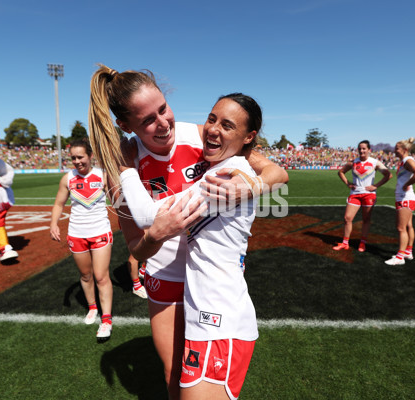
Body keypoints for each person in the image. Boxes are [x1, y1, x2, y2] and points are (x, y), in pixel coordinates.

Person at [88, 65, 288, 399]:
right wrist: (155, 236)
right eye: (148, 120)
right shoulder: (122, 168)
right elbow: (136, 250)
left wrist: (251, 186)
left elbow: (276, 172)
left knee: (199, 373)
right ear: (126, 126)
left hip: (209, 277)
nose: (163, 123)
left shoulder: (201, 134)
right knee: (175, 372)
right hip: (166, 275)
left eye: (163, 108)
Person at [116, 93, 262, 400]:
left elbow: (150, 214)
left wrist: (126, 167)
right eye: (211, 119)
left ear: (248, 137)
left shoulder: (224, 176)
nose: (212, 129)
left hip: (218, 314)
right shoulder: (217, 170)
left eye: (227, 125)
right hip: (206, 309)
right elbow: (144, 232)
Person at [49, 139, 114, 341]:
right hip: (76, 233)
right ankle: (92, 308)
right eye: (73, 158)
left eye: (80, 157)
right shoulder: (67, 178)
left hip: (101, 231)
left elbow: (119, 199)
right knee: (86, 275)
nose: (77, 161)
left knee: (101, 276)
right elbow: (59, 204)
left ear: (90, 156)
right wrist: (53, 223)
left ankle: (107, 320)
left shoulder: (103, 175)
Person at [333, 140, 391, 252]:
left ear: (369, 150)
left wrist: (376, 186)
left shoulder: (375, 162)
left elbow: (388, 175)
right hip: (355, 194)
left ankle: (362, 243)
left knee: (366, 219)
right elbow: (341, 172)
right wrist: (348, 183)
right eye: (360, 148)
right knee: (347, 218)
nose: (361, 150)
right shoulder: (353, 162)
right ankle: (345, 243)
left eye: (364, 148)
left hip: (369, 195)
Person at [385, 137, 415, 265]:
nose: (394, 151)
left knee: (401, 228)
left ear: (405, 149)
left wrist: (407, 183)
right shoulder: (404, 161)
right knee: (408, 226)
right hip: (405, 197)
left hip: (405, 198)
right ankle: (408, 252)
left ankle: (400, 257)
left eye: (397, 149)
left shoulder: (407, 160)